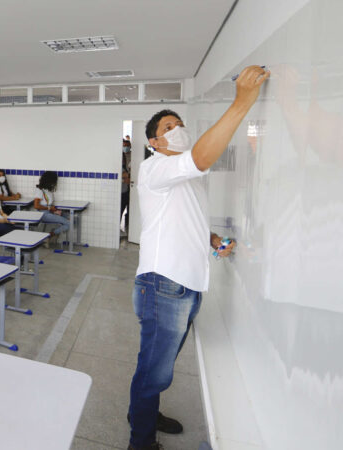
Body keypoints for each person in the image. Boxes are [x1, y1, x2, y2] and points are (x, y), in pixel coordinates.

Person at [127, 65, 268, 450]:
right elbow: (203, 157)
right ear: (155, 142)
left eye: (179, 123)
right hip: (163, 284)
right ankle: (140, 441)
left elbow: (185, 221)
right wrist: (242, 102)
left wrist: (213, 238)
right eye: (168, 127)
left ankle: (145, 412)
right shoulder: (155, 167)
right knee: (153, 371)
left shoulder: (184, 178)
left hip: (187, 284)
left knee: (160, 366)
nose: (177, 129)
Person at [32, 171, 70, 248]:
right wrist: (49, 208)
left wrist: (54, 210)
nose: (55, 183)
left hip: (50, 212)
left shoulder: (48, 190)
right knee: (68, 223)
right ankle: (48, 236)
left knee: (70, 218)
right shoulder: (40, 190)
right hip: (43, 215)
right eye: (54, 181)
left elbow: (49, 204)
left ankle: (54, 233)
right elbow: (36, 205)